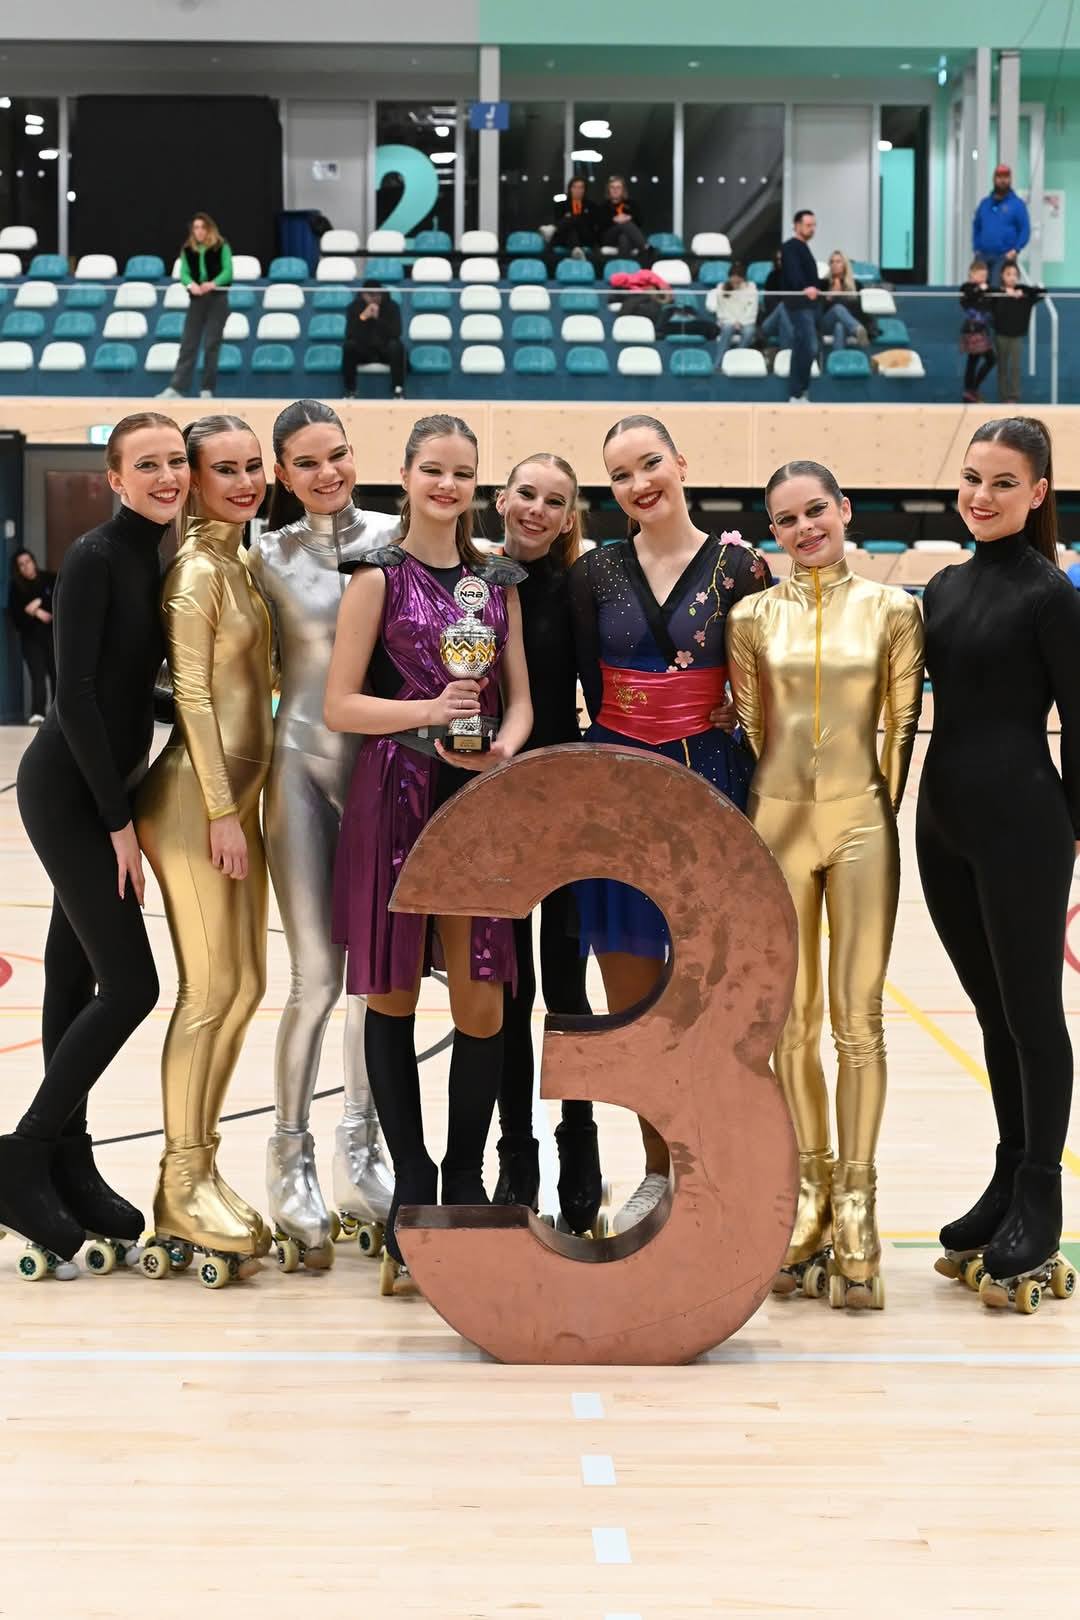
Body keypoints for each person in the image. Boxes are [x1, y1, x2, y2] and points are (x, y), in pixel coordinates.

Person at [324, 413, 533, 1283]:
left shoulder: (498, 581)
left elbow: (521, 699)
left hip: (477, 799)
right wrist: (429, 711)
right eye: (434, 470)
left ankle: (464, 1179)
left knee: (483, 1003)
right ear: (406, 476)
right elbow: (340, 705)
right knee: (395, 994)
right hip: (396, 792)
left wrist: (502, 747)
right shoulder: (375, 576)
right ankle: (412, 1185)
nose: (448, 486)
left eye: (462, 473)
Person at [727, 462, 924, 1311]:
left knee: (858, 1020)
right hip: (776, 825)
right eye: (786, 519)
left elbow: (901, 724)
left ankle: (857, 1201)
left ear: (844, 511)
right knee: (792, 1022)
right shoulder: (750, 618)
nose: (805, 528)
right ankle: (808, 1189)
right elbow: (749, 726)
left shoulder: (893, 609)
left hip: (861, 824)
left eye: (816, 511)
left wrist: (875, 811)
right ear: (771, 532)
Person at [569, 414, 769, 1233]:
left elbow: (764, 684)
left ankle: (714, 1170)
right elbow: (590, 686)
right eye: (620, 474)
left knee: (709, 999)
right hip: (618, 791)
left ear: (681, 463)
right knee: (633, 1003)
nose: (638, 483)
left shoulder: (742, 568)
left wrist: (731, 711)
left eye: (649, 463)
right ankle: (656, 1171)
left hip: (713, 786)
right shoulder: (593, 572)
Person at [0, 414, 188, 1272]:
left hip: (103, 787)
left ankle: (67, 1164)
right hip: (69, 793)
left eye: (175, 461)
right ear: (115, 478)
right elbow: (73, 697)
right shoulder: (95, 556)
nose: (166, 475)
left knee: (72, 979)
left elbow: (127, 687)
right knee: (132, 984)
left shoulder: (156, 556)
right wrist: (119, 823)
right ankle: (24, 1154)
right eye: (147, 464)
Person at [918, 417, 1080, 1312]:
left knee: (1032, 1016)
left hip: (1022, 825)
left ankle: (1040, 1195)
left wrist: (1077, 828)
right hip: (941, 824)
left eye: (1004, 483)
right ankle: (1007, 1173)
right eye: (974, 479)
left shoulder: (1051, 596)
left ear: (1038, 493)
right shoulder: (944, 587)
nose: (982, 496)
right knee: (990, 1011)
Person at [248, 399, 400, 1265]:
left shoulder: (395, 537)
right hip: (298, 772)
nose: (326, 472)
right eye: (306, 463)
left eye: (336, 454)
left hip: (382, 779)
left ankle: (360, 1149)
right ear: (282, 473)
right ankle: (288, 1155)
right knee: (315, 980)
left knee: (374, 980)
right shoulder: (263, 555)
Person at [135, 415, 274, 1286]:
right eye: (226, 469)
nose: (246, 481)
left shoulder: (239, 562)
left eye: (253, 466)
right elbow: (192, 694)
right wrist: (223, 810)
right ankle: (179, 1182)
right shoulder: (194, 571)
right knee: (208, 990)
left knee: (247, 986)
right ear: (193, 478)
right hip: (197, 801)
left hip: (237, 803)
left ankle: (203, 1165)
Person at [491, 453, 603, 1235]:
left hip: (566, 808)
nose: (536, 508)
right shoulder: (471, 582)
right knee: (508, 993)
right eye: (526, 493)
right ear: (502, 499)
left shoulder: (581, 589)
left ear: (569, 517)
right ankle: (516, 1159)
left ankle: (580, 1153)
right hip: (492, 806)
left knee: (566, 992)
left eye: (553, 501)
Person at [158, 213, 233, 402]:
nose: (199, 231)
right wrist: (191, 284)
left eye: (202, 227)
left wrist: (213, 283)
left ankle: (207, 389)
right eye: (196, 228)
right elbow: (184, 273)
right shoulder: (188, 249)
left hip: (217, 299)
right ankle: (177, 387)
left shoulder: (221, 246)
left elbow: (228, 272)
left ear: (209, 229)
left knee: (211, 344)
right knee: (188, 343)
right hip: (197, 300)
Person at [7, 549, 56, 723]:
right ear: (18, 569)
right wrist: (34, 612)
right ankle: (38, 714)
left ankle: (57, 716)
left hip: (53, 637)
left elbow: (58, 602)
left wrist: (35, 606)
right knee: (38, 675)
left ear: (33, 561)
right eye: (21, 565)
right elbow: (17, 618)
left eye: (28, 562)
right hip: (31, 639)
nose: (26, 566)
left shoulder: (49, 579)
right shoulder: (16, 588)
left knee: (56, 674)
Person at [779, 210, 820, 403]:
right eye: (808, 225)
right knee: (808, 346)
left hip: (809, 304)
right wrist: (804, 288)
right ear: (797, 226)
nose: (812, 229)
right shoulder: (790, 247)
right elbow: (794, 273)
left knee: (803, 345)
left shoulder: (804, 247)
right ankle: (797, 392)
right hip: (798, 303)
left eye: (814, 225)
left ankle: (799, 392)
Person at [342, 281, 405, 401]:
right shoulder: (353, 307)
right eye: (371, 295)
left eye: (378, 294)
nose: (375, 298)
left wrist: (378, 319)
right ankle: (350, 390)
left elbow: (396, 333)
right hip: (364, 350)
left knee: (397, 346)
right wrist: (363, 317)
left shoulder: (392, 307)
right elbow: (349, 334)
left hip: (384, 350)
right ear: (363, 295)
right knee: (349, 346)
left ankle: (398, 390)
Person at [992, 262, 1043, 404]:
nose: (1012, 277)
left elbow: (1041, 293)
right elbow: (986, 295)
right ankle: (1003, 397)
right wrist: (1005, 292)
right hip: (1001, 334)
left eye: (1015, 274)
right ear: (1002, 276)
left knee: (1015, 367)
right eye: (1008, 274)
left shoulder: (1023, 291)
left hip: (1016, 336)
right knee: (1002, 366)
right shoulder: (996, 293)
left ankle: (1014, 396)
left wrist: (1023, 292)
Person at [973, 164, 1031, 287]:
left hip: (1004, 256)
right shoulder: (985, 203)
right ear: (994, 179)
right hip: (982, 255)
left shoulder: (1017, 204)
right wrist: (976, 248)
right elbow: (976, 226)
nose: (1002, 180)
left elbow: (1025, 229)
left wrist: (1016, 249)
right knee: (979, 289)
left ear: (1010, 179)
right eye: (999, 177)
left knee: (997, 290)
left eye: (1006, 177)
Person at [705, 262, 760, 365]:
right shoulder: (721, 288)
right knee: (727, 328)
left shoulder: (751, 288)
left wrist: (741, 322)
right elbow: (722, 310)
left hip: (746, 321)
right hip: (727, 320)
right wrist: (733, 322)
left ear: (743, 278)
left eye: (738, 280)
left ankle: (736, 360)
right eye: (733, 279)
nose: (735, 283)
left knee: (749, 332)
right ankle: (719, 363)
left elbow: (752, 309)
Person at [816, 250, 870, 351]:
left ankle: (838, 359)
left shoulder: (856, 285)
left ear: (845, 265)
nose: (834, 265)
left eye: (838, 262)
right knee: (838, 308)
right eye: (832, 262)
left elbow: (859, 310)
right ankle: (857, 329)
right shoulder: (822, 284)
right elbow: (818, 311)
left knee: (839, 326)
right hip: (825, 324)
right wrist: (830, 297)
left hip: (847, 324)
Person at [960, 258, 996, 404]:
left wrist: (1011, 291)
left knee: (980, 360)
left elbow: (994, 294)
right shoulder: (967, 288)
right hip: (972, 329)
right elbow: (969, 296)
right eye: (980, 275)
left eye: (985, 276)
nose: (983, 279)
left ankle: (971, 390)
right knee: (979, 360)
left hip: (981, 329)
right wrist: (980, 289)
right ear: (972, 274)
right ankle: (970, 390)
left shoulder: (986, 289)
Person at [550, 177, 601, 261]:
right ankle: (576, 249)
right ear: (570, 189)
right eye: (575, 187)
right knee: (570, 230)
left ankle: (551, 229)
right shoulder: (560, 205)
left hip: (585, 236)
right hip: (565, 237)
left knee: (572, 221)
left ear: (584, 190)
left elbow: (591, 225)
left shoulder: (592, 206)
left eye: (580, 187)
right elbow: (558, 223)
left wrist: (571, 218)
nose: (577, 190)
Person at [600, 175, 648, 258]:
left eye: (618, 187)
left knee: (623, 238)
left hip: (628, 238)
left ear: (623, 190)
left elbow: (640, 221)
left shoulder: (632, 204)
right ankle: (644, 246)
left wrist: (629, 218)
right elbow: (600, 225)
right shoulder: (603, 206)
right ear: (608, 189)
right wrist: (614, 220)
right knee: (624, 224)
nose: (615, 190)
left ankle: (623, 263)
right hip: (609, 238)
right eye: (612, 187)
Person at [758, 249, 794, 355]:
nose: (779, 262)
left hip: (789, 321)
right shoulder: (771, 277)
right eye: (777, 259)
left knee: (784, 323)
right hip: (770, 322)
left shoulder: (796, 278)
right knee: (783, 307)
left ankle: (784, 358)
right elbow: (769, 304)